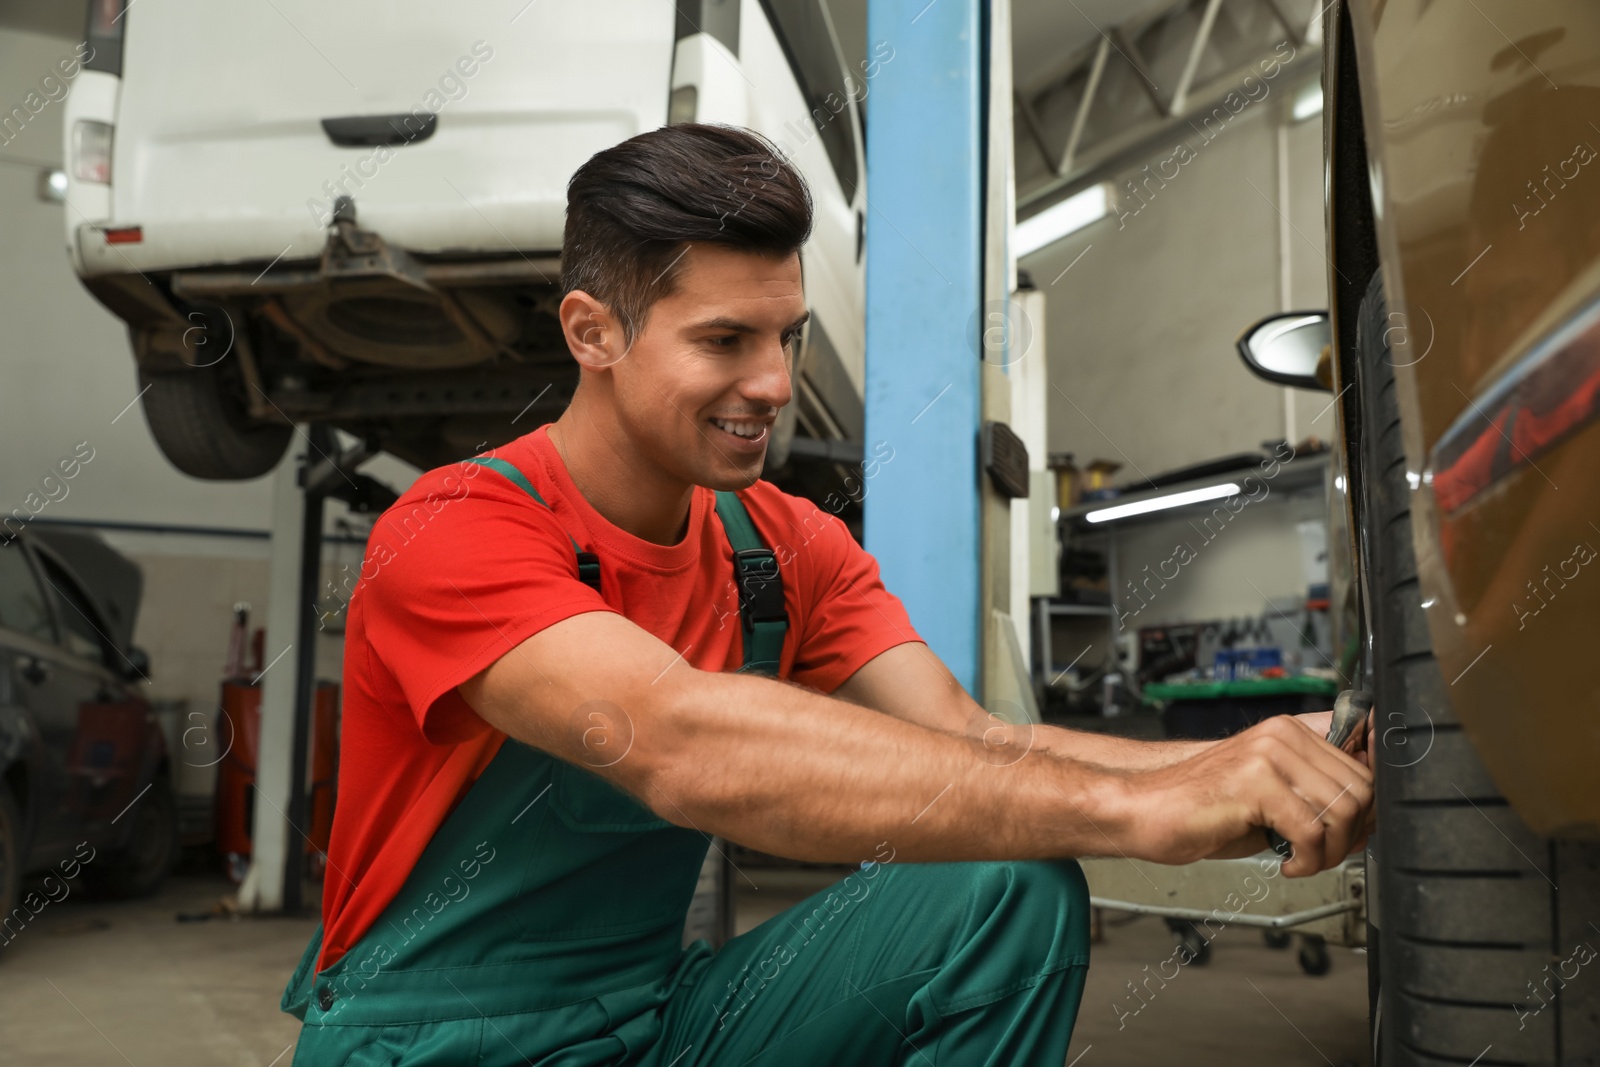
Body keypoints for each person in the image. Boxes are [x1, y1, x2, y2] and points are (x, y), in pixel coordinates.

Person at [281, 123, 1374, 1066]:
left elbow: (972, 744)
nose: (770, 383)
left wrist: (1237, 767)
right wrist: (1135, 809)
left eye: (786, 337)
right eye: (724, 340)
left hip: (648, 1027)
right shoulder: (456, 528)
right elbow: (673, 738)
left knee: (1007, 889)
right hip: (428, 1040)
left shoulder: (783, 546)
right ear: (592, 332)